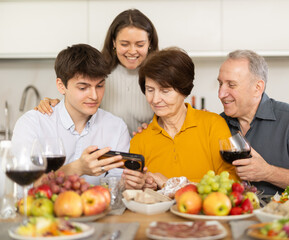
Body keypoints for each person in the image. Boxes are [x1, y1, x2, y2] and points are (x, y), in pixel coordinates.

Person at [12, 44, 131, 185]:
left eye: (99, 86)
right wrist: (77, 168)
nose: (94, 96)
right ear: (61, 86)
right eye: (83, 87)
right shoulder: (32, 124)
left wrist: (132, 183)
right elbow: (23, 187)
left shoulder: (117, 127)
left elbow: (118, 186)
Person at [121, 47, 238, 190]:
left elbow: (232, 184)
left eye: (165, 91)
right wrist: (139, 185)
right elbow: (134, 194)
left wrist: (169, 183)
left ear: (184, 90)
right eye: (150, 90)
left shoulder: (213, 125)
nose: (156, 99)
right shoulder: (140, 140)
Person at [217, 49, 289, 195]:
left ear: (257, 88)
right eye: (220, 84)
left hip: (286, 217)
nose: (221, 94)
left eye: (231, 85)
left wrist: (268, 173)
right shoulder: (218, 123)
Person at [35, 9, 158, 135]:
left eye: (140, 45)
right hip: (106, 149)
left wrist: (158, 127)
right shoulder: (99, 73)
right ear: (114, 43)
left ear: (149, 43)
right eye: (125, 44)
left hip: (145, 149)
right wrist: (53, 104)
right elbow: (76, 104)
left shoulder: (160, 77)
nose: (132, 51)